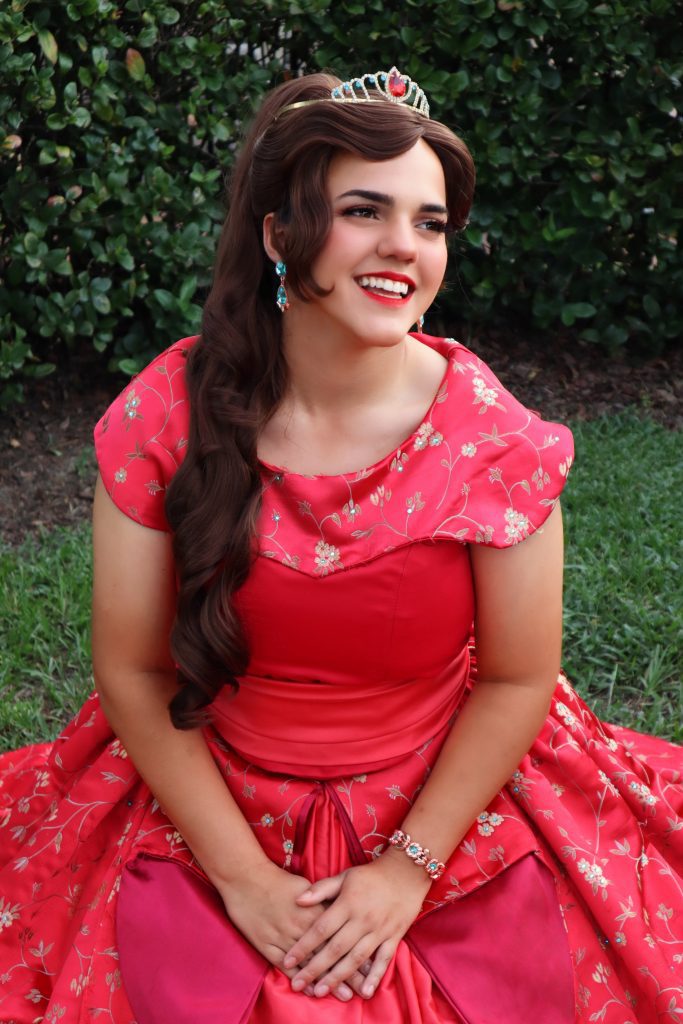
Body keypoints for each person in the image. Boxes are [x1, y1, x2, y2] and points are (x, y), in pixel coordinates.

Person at [0, 67, 681, 1024]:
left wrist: (406, 872)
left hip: (442, 786)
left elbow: (517, 679)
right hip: (205, 776)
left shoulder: (494, 440)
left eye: (430, 223)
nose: (404, 246)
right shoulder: (166, 413)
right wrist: (241, 878)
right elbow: (134, 668)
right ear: (279, 235)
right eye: (364, 211)